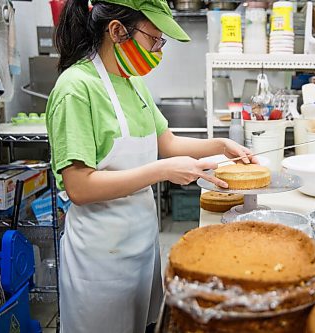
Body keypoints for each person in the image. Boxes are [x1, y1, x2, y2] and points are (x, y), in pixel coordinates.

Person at [46, 0, 257, 332]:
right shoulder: (76, 89)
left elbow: (167, 143)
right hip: (100, 259)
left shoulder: (132, 83)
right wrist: (162, 171)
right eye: (154, 39)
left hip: (142, 247)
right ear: (117, 31)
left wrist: (221, 146)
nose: (159, 50)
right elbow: (79, 187)